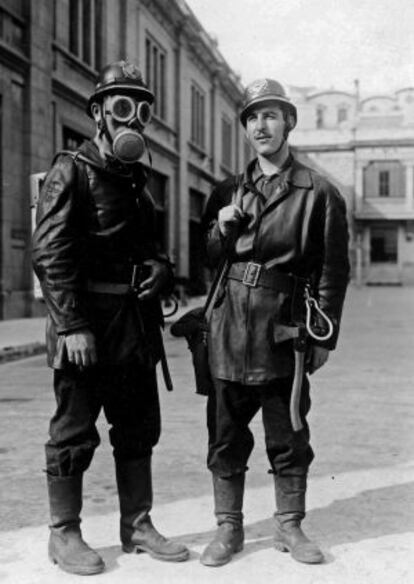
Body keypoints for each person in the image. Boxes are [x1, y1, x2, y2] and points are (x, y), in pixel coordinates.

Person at [32, 60, 189, 576]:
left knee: (138, 427)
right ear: (98, 113)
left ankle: (137, 525)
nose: (133, 120)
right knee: (74, 430)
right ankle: (64, 534)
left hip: (135, 326)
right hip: (87, 328)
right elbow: (50, 253)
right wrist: (72, 325)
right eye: (122, 107)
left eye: (141, 109)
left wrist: (163, 269)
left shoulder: (137, 180)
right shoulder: (70, 169)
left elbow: (151, 248)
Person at [200, 78, 350, 567]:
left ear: (288, 122)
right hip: (227, 326)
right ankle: (229, 527)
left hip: (283, 329)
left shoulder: (319, 192)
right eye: (251, 117)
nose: (260, 125)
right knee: (225, 433)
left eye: (270, 115)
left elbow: (331, 268)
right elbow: (209, 258)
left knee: (288, 433)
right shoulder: (226, 189)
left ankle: (290, 525)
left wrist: (323, 332)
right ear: (244, 129)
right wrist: (222, 229)